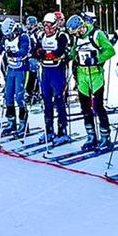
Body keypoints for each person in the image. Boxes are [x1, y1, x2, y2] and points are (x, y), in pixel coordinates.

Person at [69, 12, 117, 151]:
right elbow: (73, 52)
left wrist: (97, 59)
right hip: (82, 75)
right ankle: (91, 136)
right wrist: (68, 56)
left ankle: (105, 136)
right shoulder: (76, 38)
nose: (74, 35)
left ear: (81, 27)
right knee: (85, 108)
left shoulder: (96, 34)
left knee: (98, 107)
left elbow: (110, 50)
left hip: (96, 75)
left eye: (75, 32)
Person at [32, 13, 71, 145]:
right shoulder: (41, 35)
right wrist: (38, 53)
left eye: (50, 26)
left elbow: (60, 51)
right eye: (45, 26)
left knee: (59, 100)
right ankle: (49, 130)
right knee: (47, 101)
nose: (48, 29)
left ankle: (62, 131)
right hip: (46, 72)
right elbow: (35, 50)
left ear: (55, 25)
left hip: (57, 72)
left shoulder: (61, 36)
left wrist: (47, 54)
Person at [0, 18, 32, 137]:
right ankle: (11, 122)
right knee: (8, 96)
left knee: (19, 97)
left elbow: (23, 51)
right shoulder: (5, 38)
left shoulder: (23, 37)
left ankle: (23, 124)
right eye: (6, 35)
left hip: (22, 70)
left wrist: (14, 54)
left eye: (10, 34)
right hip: (11, 69)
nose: (8, 37)